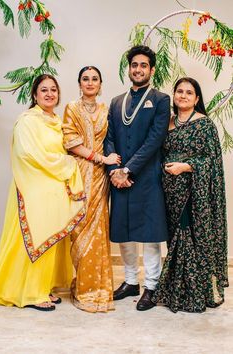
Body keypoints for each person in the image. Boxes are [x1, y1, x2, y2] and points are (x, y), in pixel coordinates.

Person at [0, 74, 85, 311]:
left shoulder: (58, 121)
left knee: (50, 239)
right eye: (44, 90)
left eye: (53, 90)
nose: (49, 94)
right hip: (33, 189)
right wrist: (67, 163)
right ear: (34, 95)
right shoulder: (27, 120)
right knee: (35, 238)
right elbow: (28, 155)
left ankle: (42, 287)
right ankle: (29, 293)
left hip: (54, 189)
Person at [151, 77, 229, 313]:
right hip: (170, 194)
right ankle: (178, 289)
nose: (183, 96)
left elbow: (213, 162)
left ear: (196, 98)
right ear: (173, 95)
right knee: (175, 239)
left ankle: (198, 293)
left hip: (196, 195)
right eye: (179, 91)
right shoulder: (168, 123)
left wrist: (186, 167)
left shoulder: (205, 125)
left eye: (189, 92)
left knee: (191, 240)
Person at [104, 45, 170, 311]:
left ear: (151, 70)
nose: (138, 69)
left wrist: (128, 170)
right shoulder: (117, 101)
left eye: (143, 65)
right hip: (119, 177)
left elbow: (155, 140)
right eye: (134, 65)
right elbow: (109, 138)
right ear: (129, 69)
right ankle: (131, 281)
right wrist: (114, 170)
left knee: (150, 235)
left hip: (147, 177)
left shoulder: (162, 99)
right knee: (124, 232)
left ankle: (151, 287)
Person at [62, 66, 121, 313]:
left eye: (94, 79)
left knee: (98, 228)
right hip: (78, 173)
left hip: (100, 178)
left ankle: (97, 288)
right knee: (79, 227)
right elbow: (70, 141)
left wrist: (111, 162)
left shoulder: (107, 110)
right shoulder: (72, 108)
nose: (89, 82)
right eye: (85, 79)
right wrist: (101, 158)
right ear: (79, 83)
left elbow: (114, 139)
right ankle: (83, 285)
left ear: (100, 84)